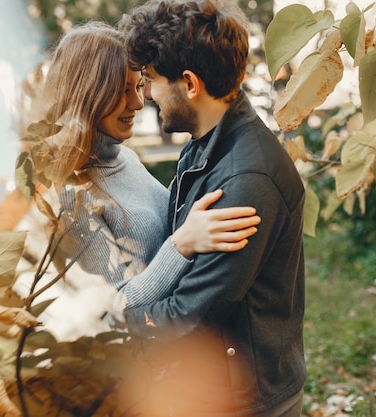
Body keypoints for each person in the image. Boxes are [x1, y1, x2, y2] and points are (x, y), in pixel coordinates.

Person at [118, 1, 307, 416]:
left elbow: (188, 315)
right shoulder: (207, 146)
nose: (147, 94)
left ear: (189, 84)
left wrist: (111, 319)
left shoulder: (246, 181)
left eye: (150, 80)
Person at [17, 20, 261, 340]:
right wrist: (182, 245)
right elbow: (116, 308)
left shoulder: (124, 158)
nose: (137, 102)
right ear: (89, 95)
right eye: (121, 91)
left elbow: (157, 221)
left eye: (138, 85)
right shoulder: (70, 194)